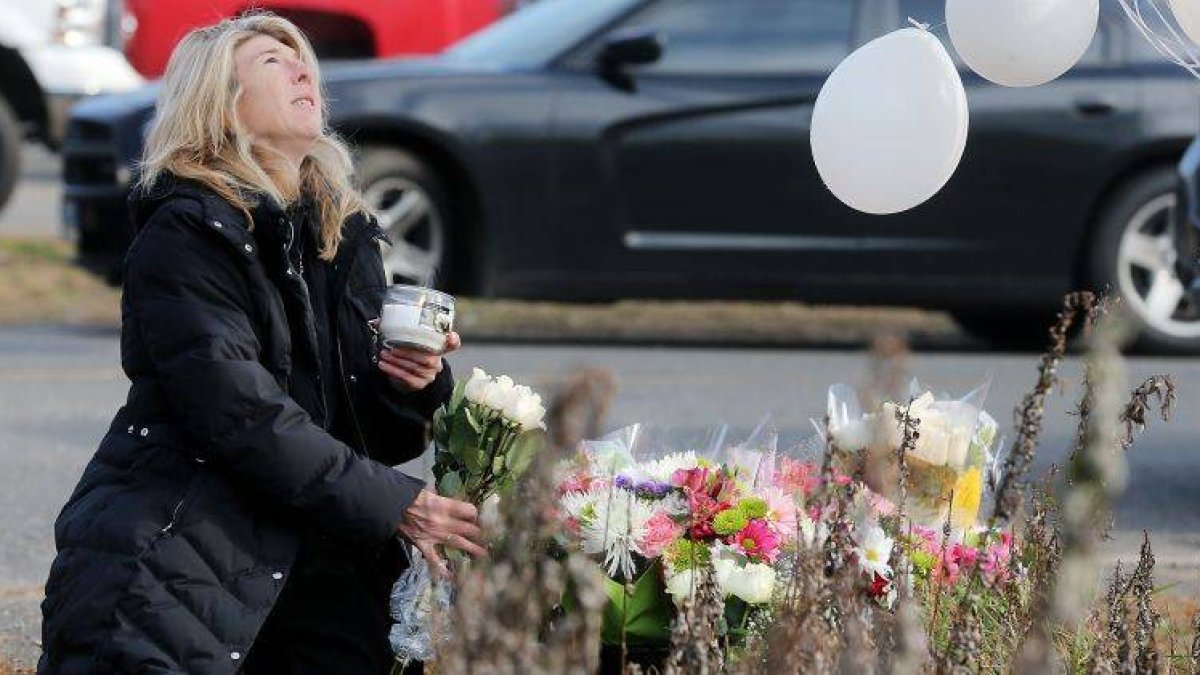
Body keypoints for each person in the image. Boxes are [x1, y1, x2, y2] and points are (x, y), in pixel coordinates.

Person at [37, 13, 484, 675]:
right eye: (273, 62)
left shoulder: (342, 231)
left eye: (303, 60)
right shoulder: (187, 233)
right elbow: (240, 414)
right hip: (187, 539)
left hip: (315, 540)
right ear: (223, 106)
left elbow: (373, 439)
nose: (305, 70)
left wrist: (410, 384)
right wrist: (397, 503)